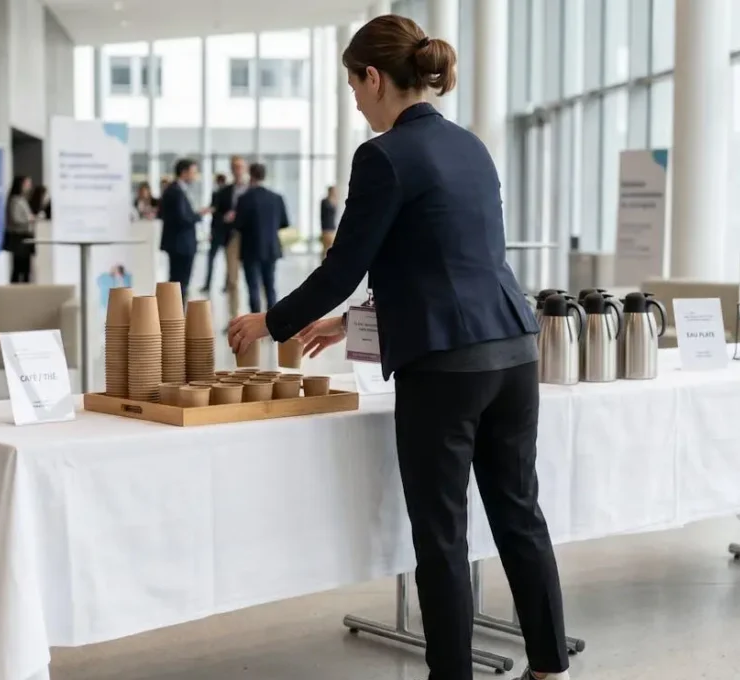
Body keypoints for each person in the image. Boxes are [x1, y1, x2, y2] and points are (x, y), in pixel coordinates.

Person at [227, 15, 569, 680]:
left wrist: (268, 323)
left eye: (353, 84)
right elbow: (456, 259)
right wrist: (359, 319)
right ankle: (550, 667)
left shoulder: (380, 155)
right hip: (514, 353)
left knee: (442, 538)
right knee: (520, 515)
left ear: (374, 77)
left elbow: (340, 268)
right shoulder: (472, 146)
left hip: (446, 371)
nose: (354, 99)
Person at [231, 163, 289, 313]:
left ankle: (254, 321)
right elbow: (284, 222)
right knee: (270, 285)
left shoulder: (244, 198)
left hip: (250, 249)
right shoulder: (276, 198)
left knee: (253, 287)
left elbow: (238, 224)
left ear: (251, 175)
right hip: (271, 248)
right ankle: (272, 323)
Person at [158, 159, 212, 296]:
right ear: (184, 172)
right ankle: (176, 314)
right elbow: (182, 218)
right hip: (181, 244)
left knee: (178, 282)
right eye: (193, 172)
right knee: (180, 283)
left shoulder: (176, 190)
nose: (195, 176)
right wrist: (199, 215)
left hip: (180, 243)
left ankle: (176, 313)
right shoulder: (175, 191)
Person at [202, 162, 245, 293]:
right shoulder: (221, 193)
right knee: (214, 259)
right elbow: (217, 214)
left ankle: (227, 284)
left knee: (230, 265)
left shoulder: (245, 191)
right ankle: (209, 284)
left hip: (232, 233)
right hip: (219, 232)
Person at [4, 175, 36, 283]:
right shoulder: (15, 201)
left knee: (25, 267)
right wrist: (29, 219)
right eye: (27, 184)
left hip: (25, 235)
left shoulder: (22, 200)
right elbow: (16, 218)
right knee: (18, 267)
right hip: (18, 237)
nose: (29, 186)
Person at [319, 185, 338, 258]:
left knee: (330, 246)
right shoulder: (325, 201)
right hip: (326, 227)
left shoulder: (334, 201)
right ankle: (323, 261)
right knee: (326, 247)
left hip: (332, 227)